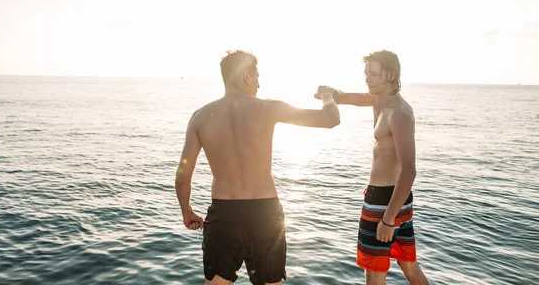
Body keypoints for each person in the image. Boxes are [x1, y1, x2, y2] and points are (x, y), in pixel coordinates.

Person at [175, 50, 340, 285]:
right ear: (246, 75)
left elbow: (182, 176)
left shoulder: (200, 117)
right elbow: (330, 119)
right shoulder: (268, 108)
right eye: (257, 77)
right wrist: (328, 96)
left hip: (224, 217)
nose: (259, 84)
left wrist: (187, 211)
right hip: (265, 215)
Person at [315, 50, 429, 285]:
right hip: (397, 199)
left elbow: (409, 170)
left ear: (389, 75)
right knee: (409, 265)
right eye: (365, 72)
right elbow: (347, 97)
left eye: (373, 73)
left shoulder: (400, 113)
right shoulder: (378, 100)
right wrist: (330, 93)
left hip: (384, 203)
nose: (367, 78)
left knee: (373, 272)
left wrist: (388, 219)